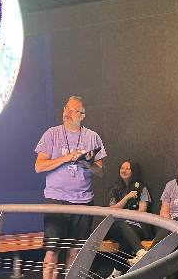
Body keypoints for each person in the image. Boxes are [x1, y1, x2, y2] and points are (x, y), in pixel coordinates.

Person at [34, 96, 106, 279]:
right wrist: (65, 158)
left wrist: (89, 163)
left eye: (73, 110)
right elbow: (39, 166)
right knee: (52, 252)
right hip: (55, 199)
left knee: (75, 252)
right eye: (66, 108)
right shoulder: (52, 134)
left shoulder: (93, 137)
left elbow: (101, 172)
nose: (67, 112)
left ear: (82, 115)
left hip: (82, 201)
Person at [105, 161, 151, 278]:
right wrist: (126, 198)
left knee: (126, 239)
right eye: (122, 168)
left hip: (136, 226)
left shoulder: (141, 188)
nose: (124, 171)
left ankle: (116, 273)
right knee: (121, 226)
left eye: (127, 169)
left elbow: (142, 211)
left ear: (133, 172)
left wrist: (123, 213)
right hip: (116, 225)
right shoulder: (114, 188)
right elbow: (112, 211)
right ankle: (140, 252)